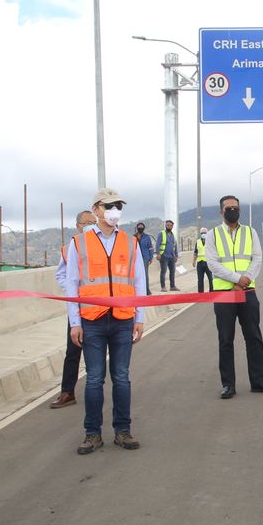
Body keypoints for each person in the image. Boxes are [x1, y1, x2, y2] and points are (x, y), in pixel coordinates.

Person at [65, 188, 146, 454]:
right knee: (94, 379)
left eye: (118, 206)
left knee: (121, 378)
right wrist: (75, 322)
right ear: (96, 209)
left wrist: (139, 318)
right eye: (109, 206)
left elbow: (138, 282)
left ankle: (123, 431)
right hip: (93, 320)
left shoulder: (130, 242)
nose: (115, 211)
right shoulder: (79, 243)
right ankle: (92, 433)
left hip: (123, 319)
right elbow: (71, 284)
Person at [205, 195, 263, 399]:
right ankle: (228, 384)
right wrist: (237, 279)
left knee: (254, 337)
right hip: (224, 294)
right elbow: (212, 263)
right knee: (226, 339)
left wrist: (244, 280)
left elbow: (257, 258)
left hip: (247, 292)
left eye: (235, 207)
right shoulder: (213, 235)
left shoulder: (250, 232)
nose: (232, 211)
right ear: (221, 212)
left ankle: (258, 381)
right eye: (228, 208)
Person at [51, 210, 97, 409]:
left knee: (97, 352)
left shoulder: (103, 246)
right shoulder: (71, 247)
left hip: (99, 307)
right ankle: (67, 392)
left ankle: (96, 391)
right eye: (86, 223)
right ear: (78, 226)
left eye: (93, 222)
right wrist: (73, 290)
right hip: (78, 306)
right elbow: (61, 275)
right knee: (73, 349)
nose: (90, 226)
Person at [156, 220, 179, 292]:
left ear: (172, 226)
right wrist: (158, 253)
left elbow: (175, 246)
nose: (168, 226)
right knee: (163, 271)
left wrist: (176, 255)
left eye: (170, 225)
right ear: (165, 226)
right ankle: (163, 286)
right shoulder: (161, 234)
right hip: (163, 256)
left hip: (171, 256)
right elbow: (157, 244)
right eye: (167, 225)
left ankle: (172, 286)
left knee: (172, 271)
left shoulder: (173, 235)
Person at [135, 222, 155, 296]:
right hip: (136, 258)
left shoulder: (147, 237)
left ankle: (147, 290)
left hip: (145, 258)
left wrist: (151, 257)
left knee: (145, 275)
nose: (140, 228)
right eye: (139, 227)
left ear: (143, 228)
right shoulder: (134, 237)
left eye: (141, 227)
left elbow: (150, 248)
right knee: (136, 275)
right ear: (137, 228)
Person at [193, 226, 213, 292]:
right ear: (200, 234)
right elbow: (195, 252)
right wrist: (193, 261)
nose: (203, 234)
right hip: (200, 263)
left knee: (211, 278)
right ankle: (201, 294)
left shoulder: (210, 241)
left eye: (204, 233)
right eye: (202, 233)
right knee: (200, 279)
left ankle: (212, 292)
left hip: (208, 263)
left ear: (207, 233)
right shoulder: (198, 242)